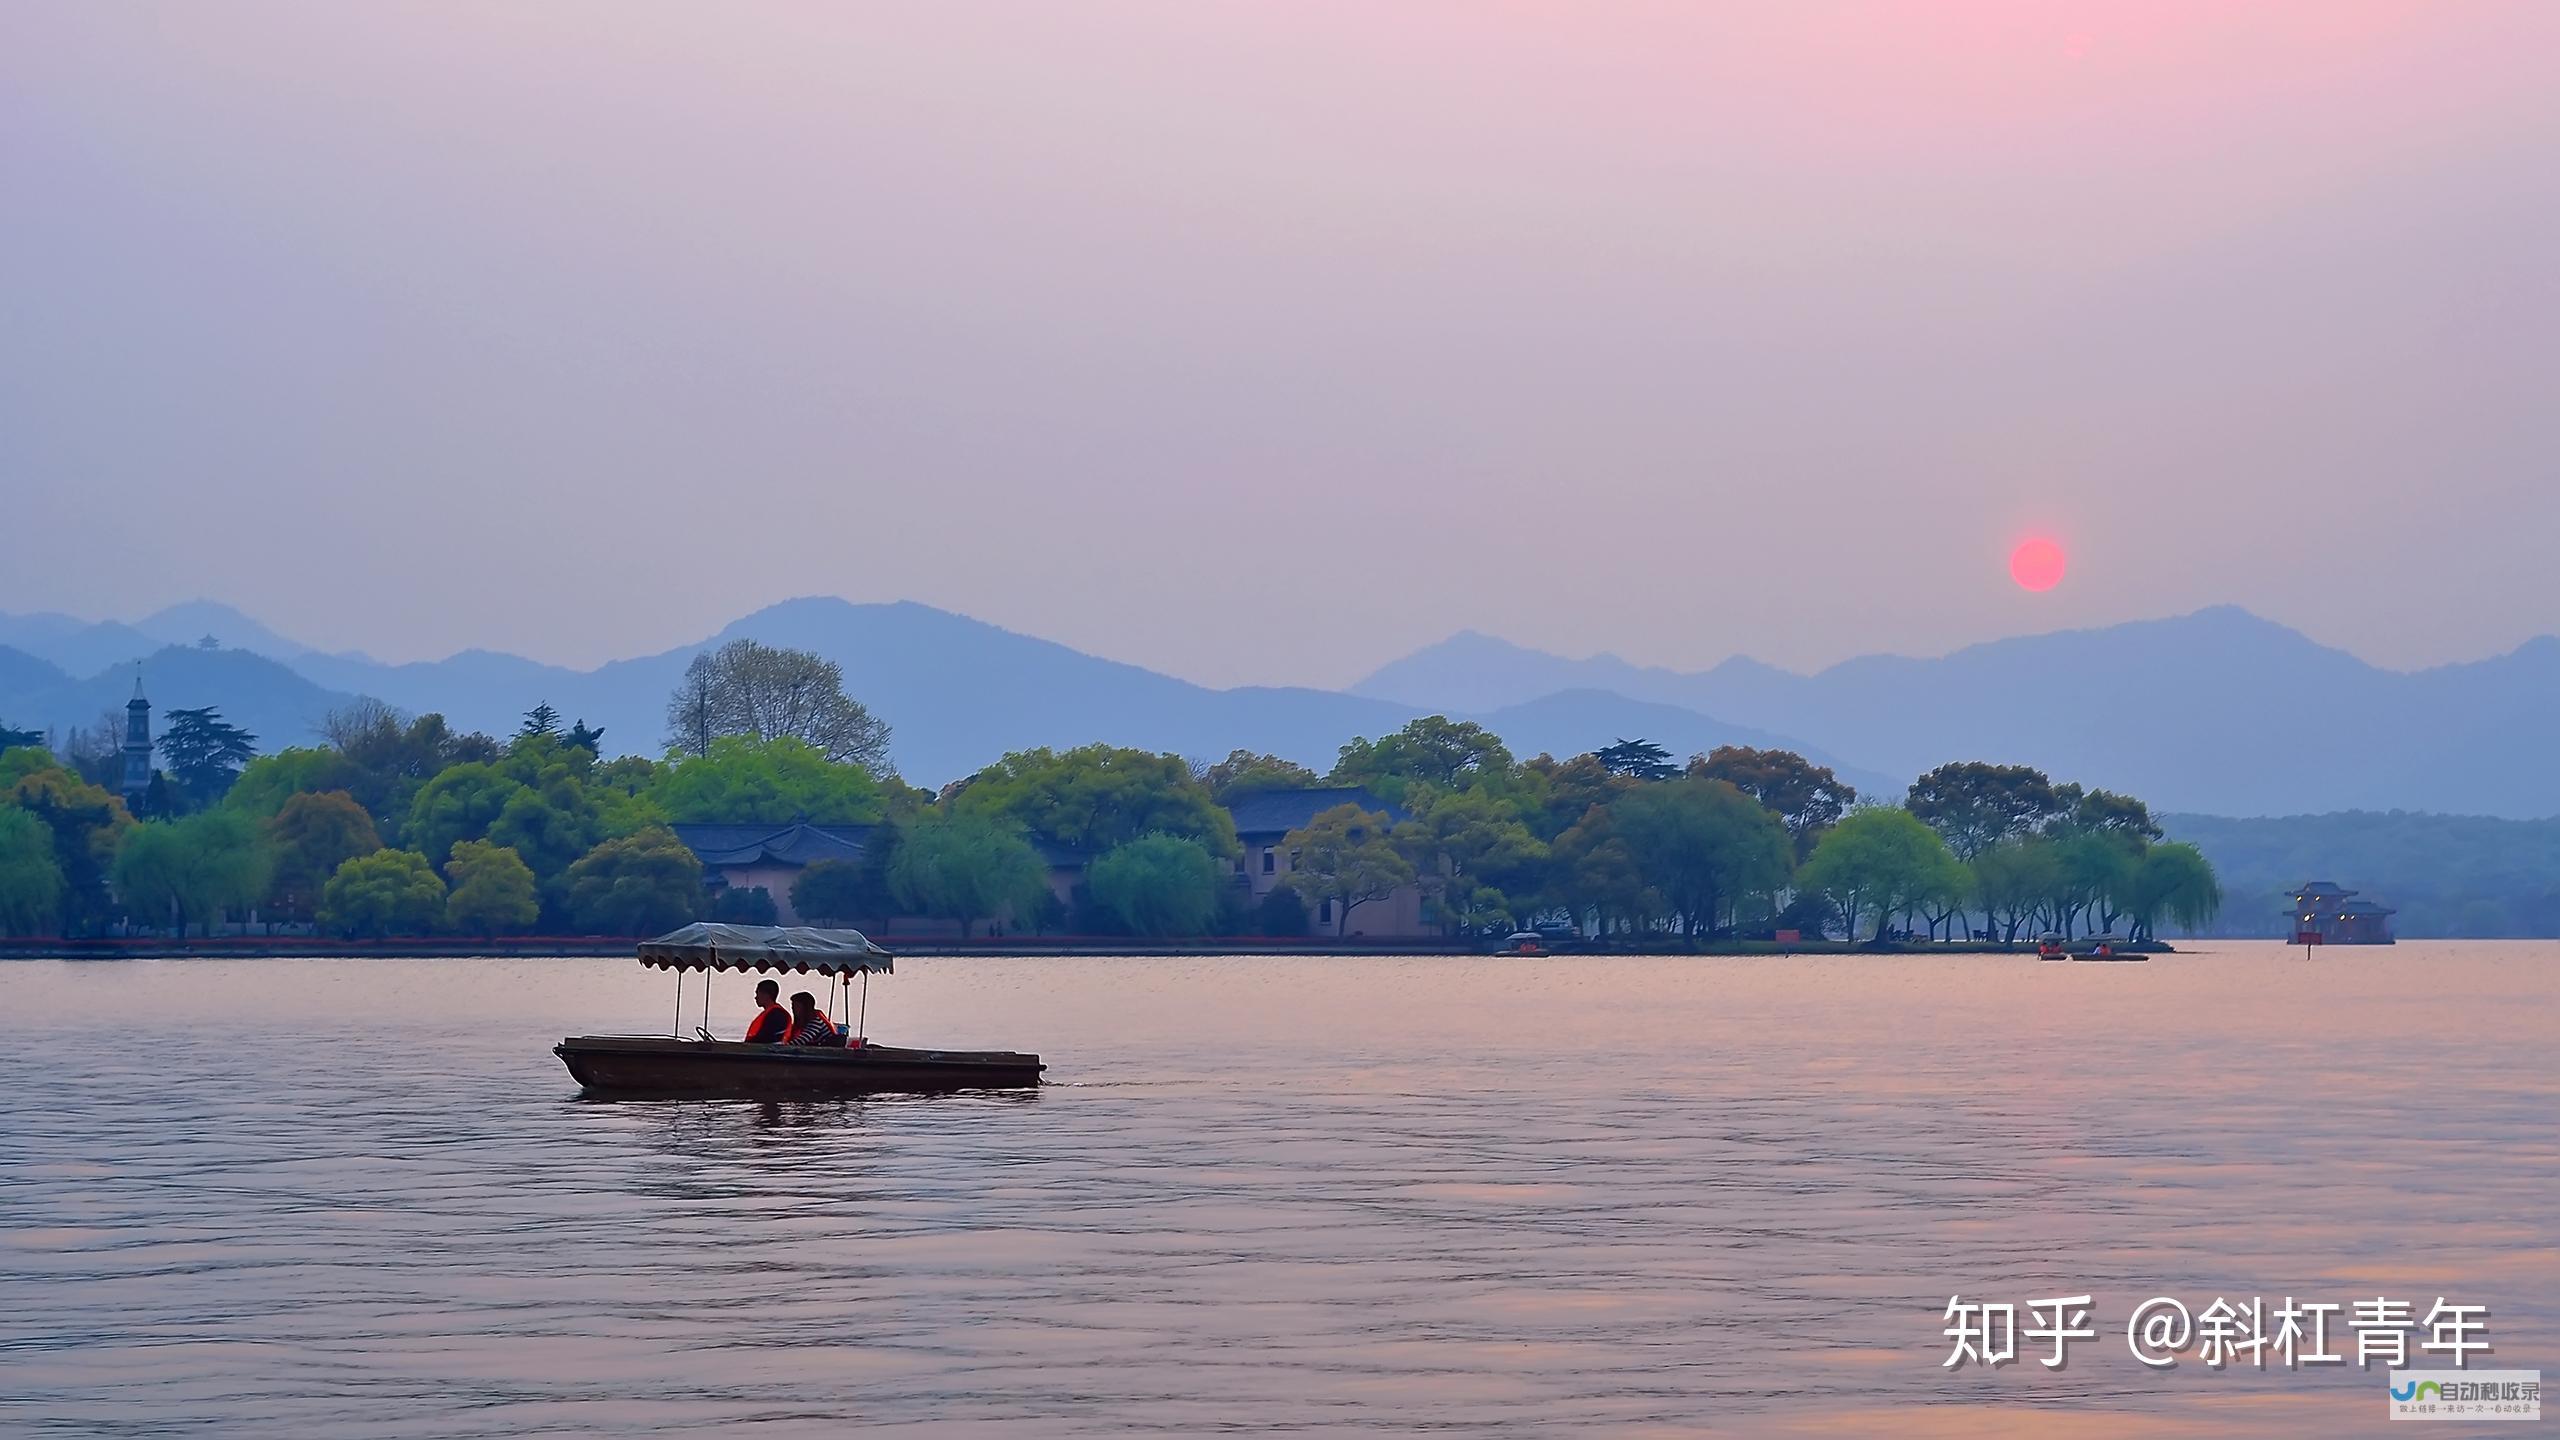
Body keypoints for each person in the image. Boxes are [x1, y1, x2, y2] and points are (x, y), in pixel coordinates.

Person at [743, 979, 789, 1044]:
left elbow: (766, 1037)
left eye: (757, 993)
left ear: (766, 995)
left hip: (768, 1052)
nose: (756, 997)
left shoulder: (777, 1014)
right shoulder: (772, 1013)